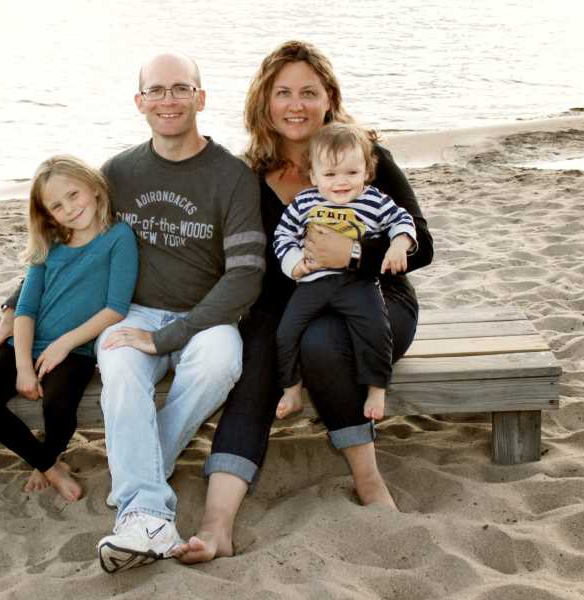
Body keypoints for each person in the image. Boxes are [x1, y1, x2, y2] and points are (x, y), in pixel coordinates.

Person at [0, 53, 264, 573]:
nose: (168, 100)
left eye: (180, 88)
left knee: (220, 361)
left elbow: (245, 276)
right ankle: (146, 516)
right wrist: (14, 300)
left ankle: (139, 478)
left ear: (200, 98)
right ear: (139, 102)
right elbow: (71, 239)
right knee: (117, 365)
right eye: (156, 90)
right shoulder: (119, 172)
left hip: (205, 317)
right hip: (131, 313)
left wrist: (172, 336)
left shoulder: (232, 177)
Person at [173, 40, 434, 564]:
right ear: (264, 102)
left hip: (377, 302)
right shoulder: (248, 176)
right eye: (283, 92)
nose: (296, 104)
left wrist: (355, 252)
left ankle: (368, 479)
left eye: (309, 93)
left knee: (319, 342)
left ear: (329, 98)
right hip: (289, 303)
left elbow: (421, 243)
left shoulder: (368, 159)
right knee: (254, 365)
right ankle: (217, 525)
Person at [0, 154, 138, 503]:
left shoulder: (119, 237)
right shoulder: (49, 246)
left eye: (73, 195)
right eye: (58, 206)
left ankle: (45, 457)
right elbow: (26, 309)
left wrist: (66, 343)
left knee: (59, 408)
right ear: (48, 215)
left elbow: (116, 308)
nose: (70, 209)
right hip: (27, 342)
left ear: (93, 187)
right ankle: (49, 465)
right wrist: (22, 368)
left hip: (75, 350)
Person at [273, 122, 417, 421]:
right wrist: (295, 263)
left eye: (351, 173)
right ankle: (291, 387)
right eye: (329, 174)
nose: (341, 182)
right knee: (286, 332)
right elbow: (283, 236)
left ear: (367, 171)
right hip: (312, 284)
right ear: (313, 175)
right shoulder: (305, 203)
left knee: (376, 328)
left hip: (357, 283)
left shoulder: (374, 201)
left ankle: (377, 387)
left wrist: (398, 246)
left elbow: (402, 220)